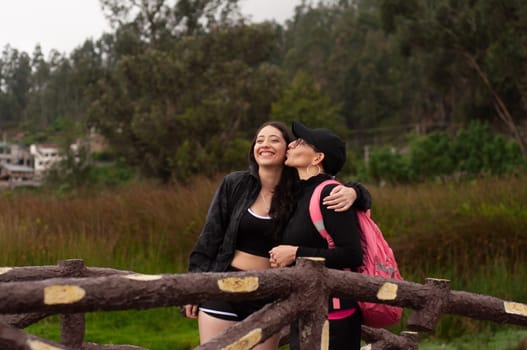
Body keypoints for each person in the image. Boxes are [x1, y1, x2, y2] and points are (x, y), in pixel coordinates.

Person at [184, 121, 370, 349]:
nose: (265, 144)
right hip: (226, 287)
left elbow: (329, 188)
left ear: (286, 150)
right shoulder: (235, 184)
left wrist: (356, 192)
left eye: (274, 140)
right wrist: (193, 287)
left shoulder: (298, 191)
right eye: (260, 139)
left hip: (271, 294)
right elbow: (209, 238)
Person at [269, 121, 364, 350]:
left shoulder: (330, 193)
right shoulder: (299, 192)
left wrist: (295, 253)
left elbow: (351, 254)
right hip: (307, 309)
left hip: (333, 316)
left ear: (317, 157)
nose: (291, 145)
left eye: (300, 142)